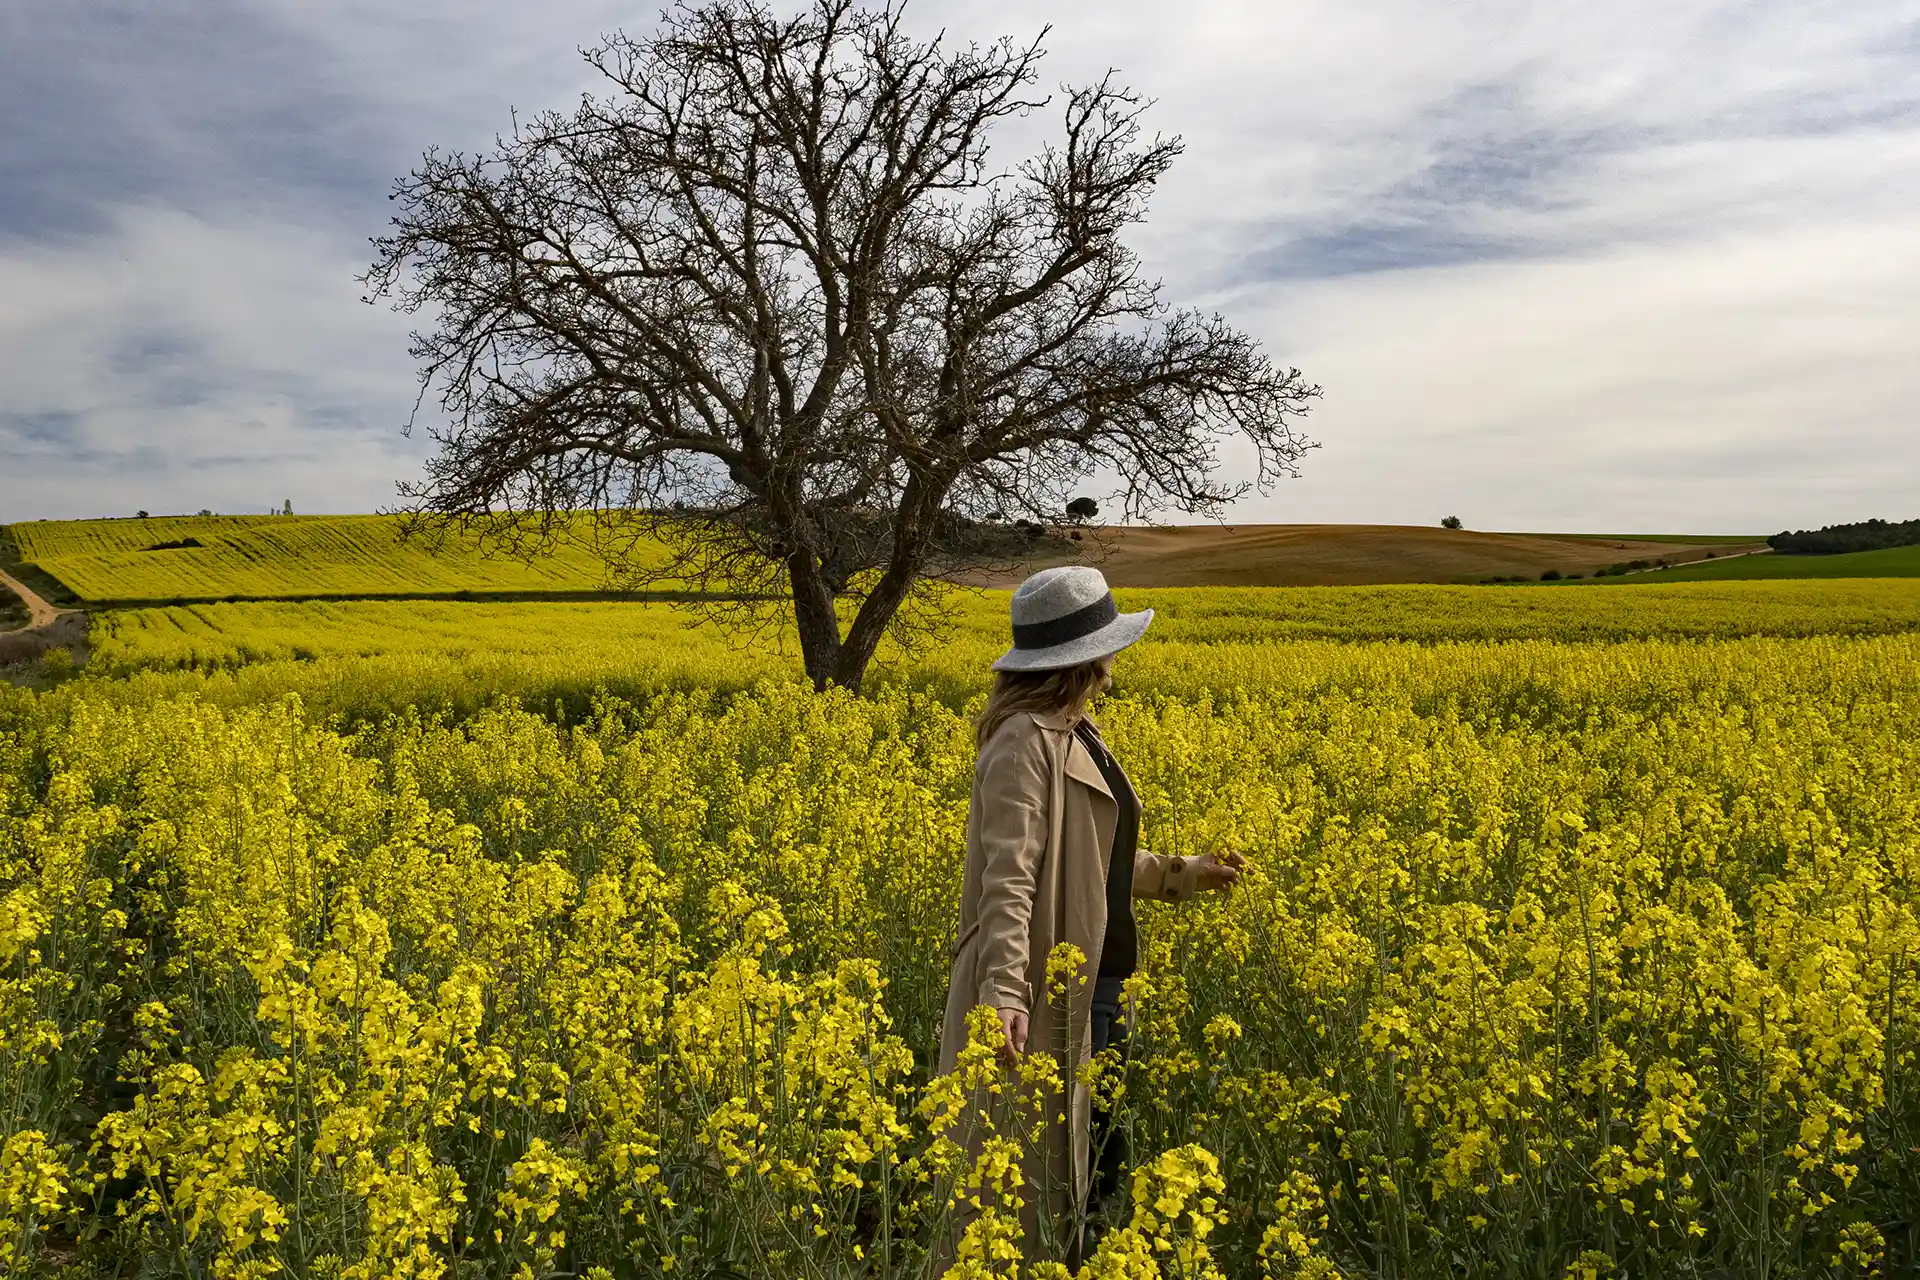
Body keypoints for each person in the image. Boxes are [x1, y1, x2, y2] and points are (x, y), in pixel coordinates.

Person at [937, 565, 1244, 1257]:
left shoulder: (1076, 730)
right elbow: (1009, 880)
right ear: (1079, 658)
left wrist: (1182, 874)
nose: (1113, 664)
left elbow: (1090, 858)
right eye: (1106, 648)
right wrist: (1004, 993)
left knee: (1092, 1168)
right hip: (1049, 984)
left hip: (1098, 979)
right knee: (1044, 1180)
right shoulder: (1024, 741)